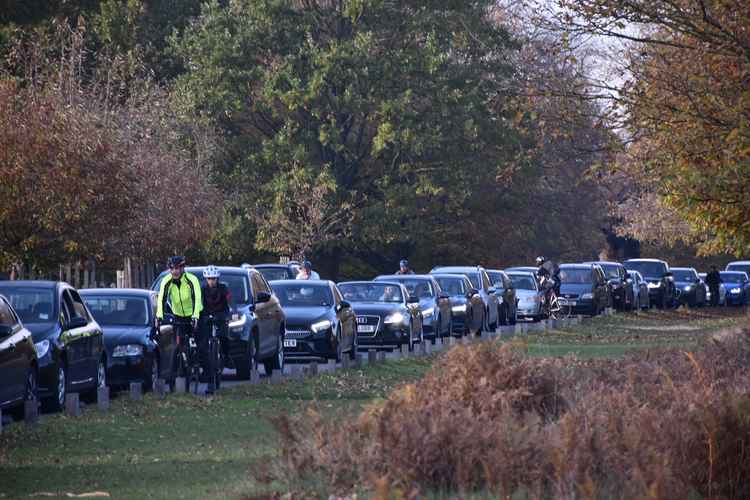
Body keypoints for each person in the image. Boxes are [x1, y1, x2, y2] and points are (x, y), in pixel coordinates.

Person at [156, 256, 203, 374]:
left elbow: (197, 299)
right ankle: (179, 367)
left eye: (177, 268)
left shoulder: (192, 280)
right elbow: (161, 299)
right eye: (171, 269)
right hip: (178, 316)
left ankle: (206, 373)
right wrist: (159, 316)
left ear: (183, 268)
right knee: (177, 344)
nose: (174, 272)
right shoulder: (167, 281)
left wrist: (195, 316)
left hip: (194, 313)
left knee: (201, 343)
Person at [199, 265, 232, 391]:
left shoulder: (223, 288)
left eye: (214, 278)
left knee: (224, 336)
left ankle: (227, 356)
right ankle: (206, 370)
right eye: (209, 279)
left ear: (217, 279)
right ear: (206, 279)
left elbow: (228, 301)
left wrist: (227, 314)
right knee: (203, 342)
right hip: (207, 315)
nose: (211, 281)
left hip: (221, 315)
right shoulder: (202, 289)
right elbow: (198, 302)